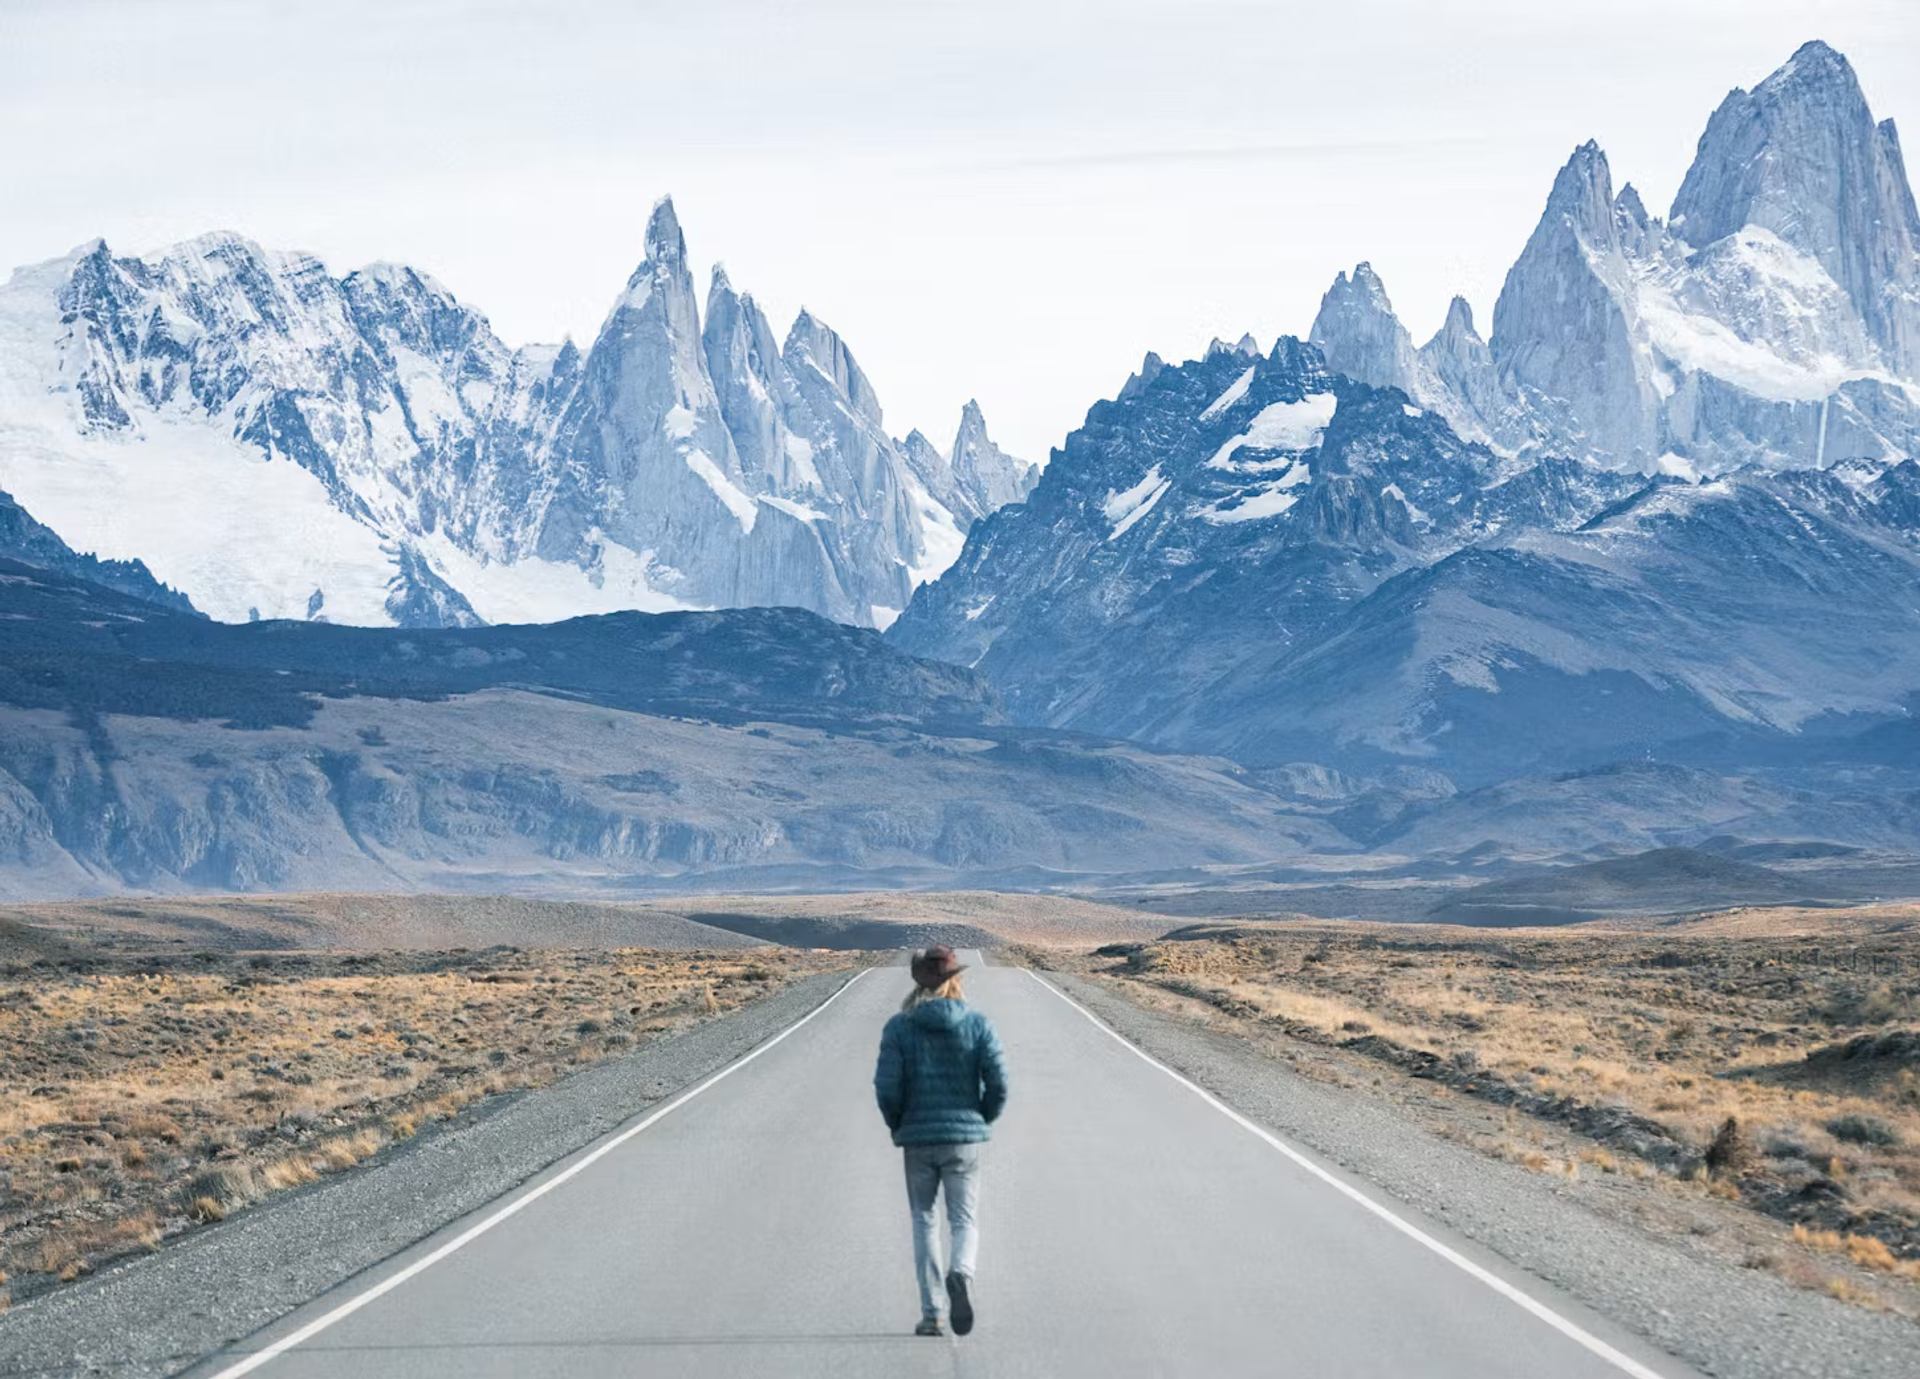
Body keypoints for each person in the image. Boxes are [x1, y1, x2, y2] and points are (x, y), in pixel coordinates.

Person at [872, 944, 1009, 1338]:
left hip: (917, 1138)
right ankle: (961, 1273)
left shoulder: (900, 1027)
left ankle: (932, 1312)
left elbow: (886, 1087)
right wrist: (981, 1117)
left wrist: (897, 1123)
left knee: (924, 1220)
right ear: (955, 981)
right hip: (963, 1139)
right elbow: (998, 1081)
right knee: (964, 1218)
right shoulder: (977, 1024)